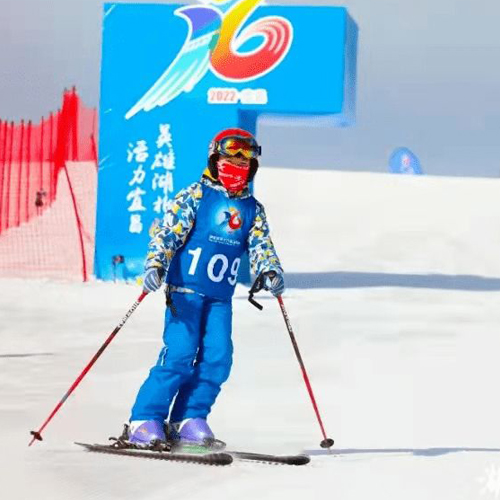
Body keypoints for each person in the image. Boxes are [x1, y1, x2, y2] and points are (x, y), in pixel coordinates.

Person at [127, 128, 285, 447]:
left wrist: (270, 269)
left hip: (219, 298)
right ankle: (144, 420)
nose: (236, 170)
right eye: (228, 162)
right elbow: (166, 234)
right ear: (214, 161)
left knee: (218, 356)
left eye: (244, 165)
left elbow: (261, 246)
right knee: (180, 354)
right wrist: (156, 263)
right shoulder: (195, 196)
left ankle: (188, 418)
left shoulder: (253, 210)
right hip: (186, 291)